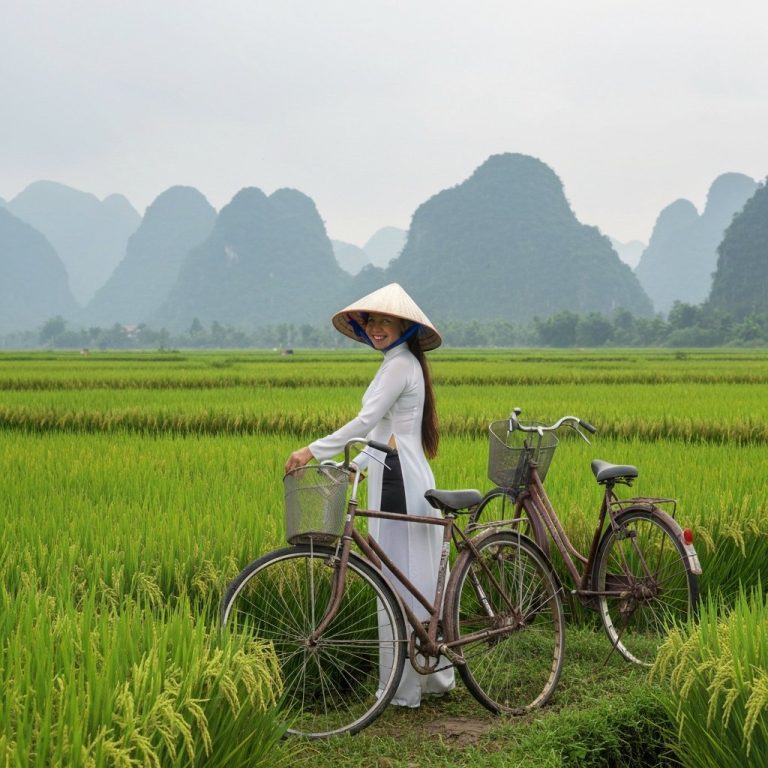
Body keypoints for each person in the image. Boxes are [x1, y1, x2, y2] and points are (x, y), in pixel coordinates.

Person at [285, 282, 455, 707]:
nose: (377, 328)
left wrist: (311, 450)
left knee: (396, 580)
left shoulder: (399, 365)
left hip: (398, 480)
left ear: (403, 326)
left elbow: (365, 423)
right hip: (391, 472)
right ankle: (419, 676)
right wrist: (355, 465)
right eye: (372, 321)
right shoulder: (397, 364)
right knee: (402, 578)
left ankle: (405, 685)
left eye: (385, 320)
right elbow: (383, 433)